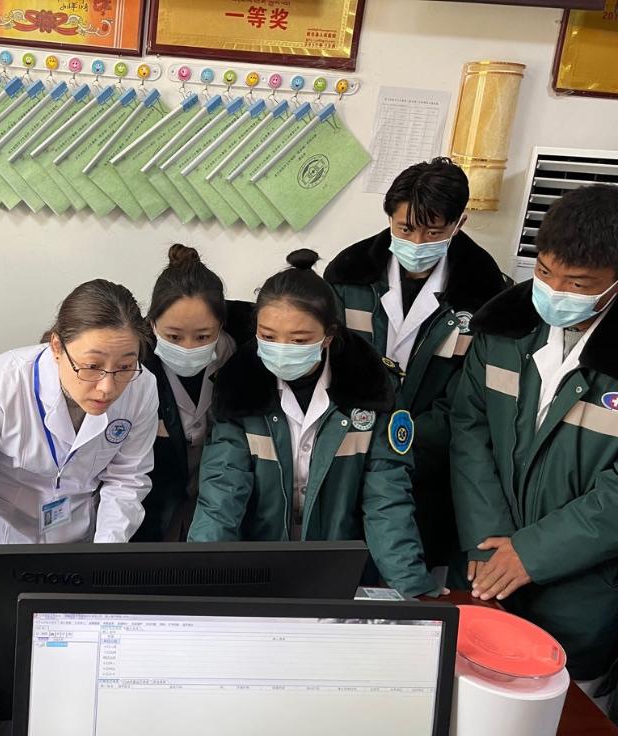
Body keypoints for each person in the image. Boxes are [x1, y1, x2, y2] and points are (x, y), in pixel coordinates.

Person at [189, 250, 437, 598]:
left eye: (299, 340)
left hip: (341, 570)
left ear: (328, 337)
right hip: (257, 567)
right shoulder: (239, 388)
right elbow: (221, 496)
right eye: (268, 336)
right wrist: (199, 580)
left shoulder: (372, 390)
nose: (282, 349)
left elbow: (387, 502)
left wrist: (411, 591)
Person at [452, 184, 618, 704]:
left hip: (585, 595)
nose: (554, 291)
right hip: (489, 568)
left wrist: (533, 553)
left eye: (578, 283)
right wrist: (489, 536)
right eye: (545, 272)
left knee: (566, 723)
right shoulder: (503, 331)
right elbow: (470, 429)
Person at [324, 157, 507, 579]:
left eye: (434, 232)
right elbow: (328, 365)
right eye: (405, 229)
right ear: (389, 217)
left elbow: (468, 400)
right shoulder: (348, 274)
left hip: (430, 467)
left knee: (409, 574)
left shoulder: (484, 292)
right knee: (342, 572)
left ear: (459, 223)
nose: (417, 242)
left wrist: (401, 444)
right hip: (348, 451)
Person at [0, 279, 159, 604]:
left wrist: (104, 559)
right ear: (57, 347)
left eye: (124, 366)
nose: (108, 386)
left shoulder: (142, 389)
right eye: (92, 367)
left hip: (74, 544)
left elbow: (127, 481)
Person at [133, 244, 236, 541]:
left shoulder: (235, 357)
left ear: (221, 325)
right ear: (152, 323)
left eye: (203, 336)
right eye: (174, 336)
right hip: (151, 506)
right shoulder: (134, 367)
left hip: (215, 496)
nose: (188, 347)